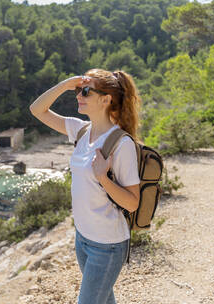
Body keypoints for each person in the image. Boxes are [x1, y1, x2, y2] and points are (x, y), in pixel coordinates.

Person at [29, 68, 142, 304]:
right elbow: (36, 110)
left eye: (86, 91)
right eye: (79, 90)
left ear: (105, 99)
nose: (79, 95)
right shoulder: (80, 130)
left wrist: (103, 178)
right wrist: (66, 84)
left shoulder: (121, 144)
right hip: (83, 238)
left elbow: (132, 203)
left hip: (108, 245)